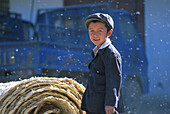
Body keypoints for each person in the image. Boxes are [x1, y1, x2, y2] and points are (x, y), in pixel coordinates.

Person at [81, 13, 124, 114]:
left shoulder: (111, 54)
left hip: (104, 108)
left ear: (109, 33)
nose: (95, 35)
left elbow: (113, 80)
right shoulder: (97, 52)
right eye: (91, 31)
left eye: (100, 31)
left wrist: (110, 103)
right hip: (94, 105)